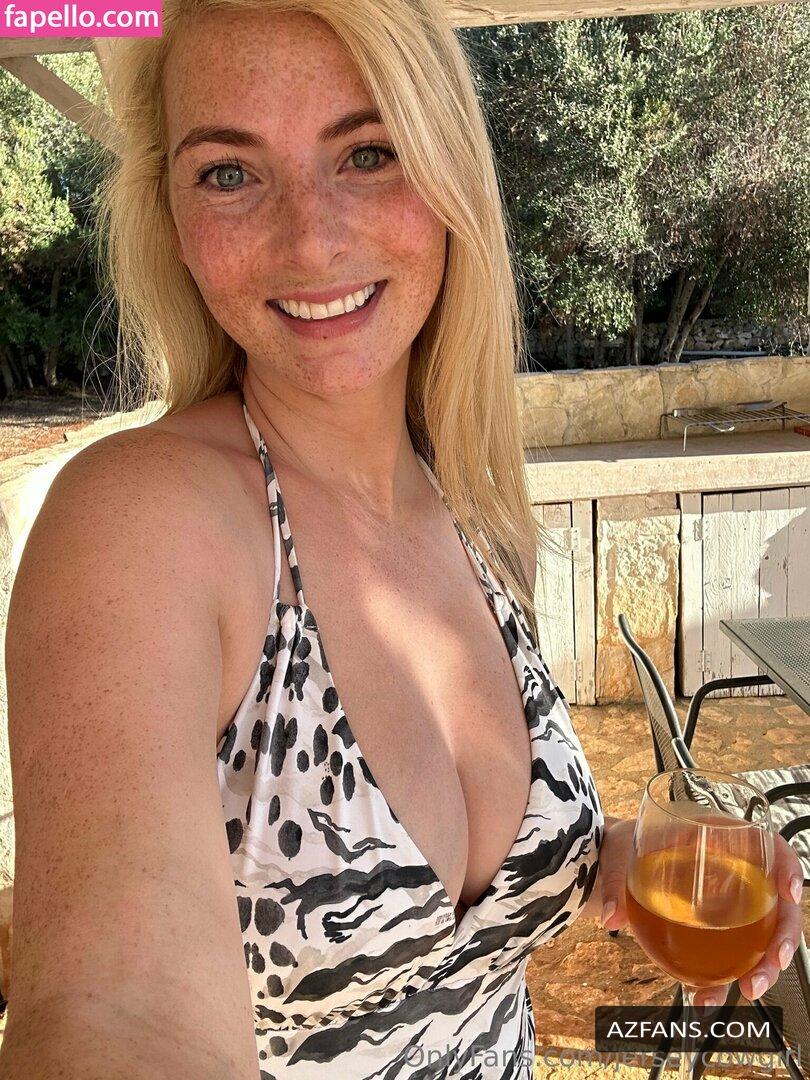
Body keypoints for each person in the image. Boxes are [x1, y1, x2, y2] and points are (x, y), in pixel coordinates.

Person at [1, 2, 803, 1077]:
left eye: (369, 153)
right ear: (172, 218)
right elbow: (114, 1011)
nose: (311, 237)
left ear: (450, 170)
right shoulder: (139, 523)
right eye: (229, 173)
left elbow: (448, 922)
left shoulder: (468, 501)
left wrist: (609, 858)